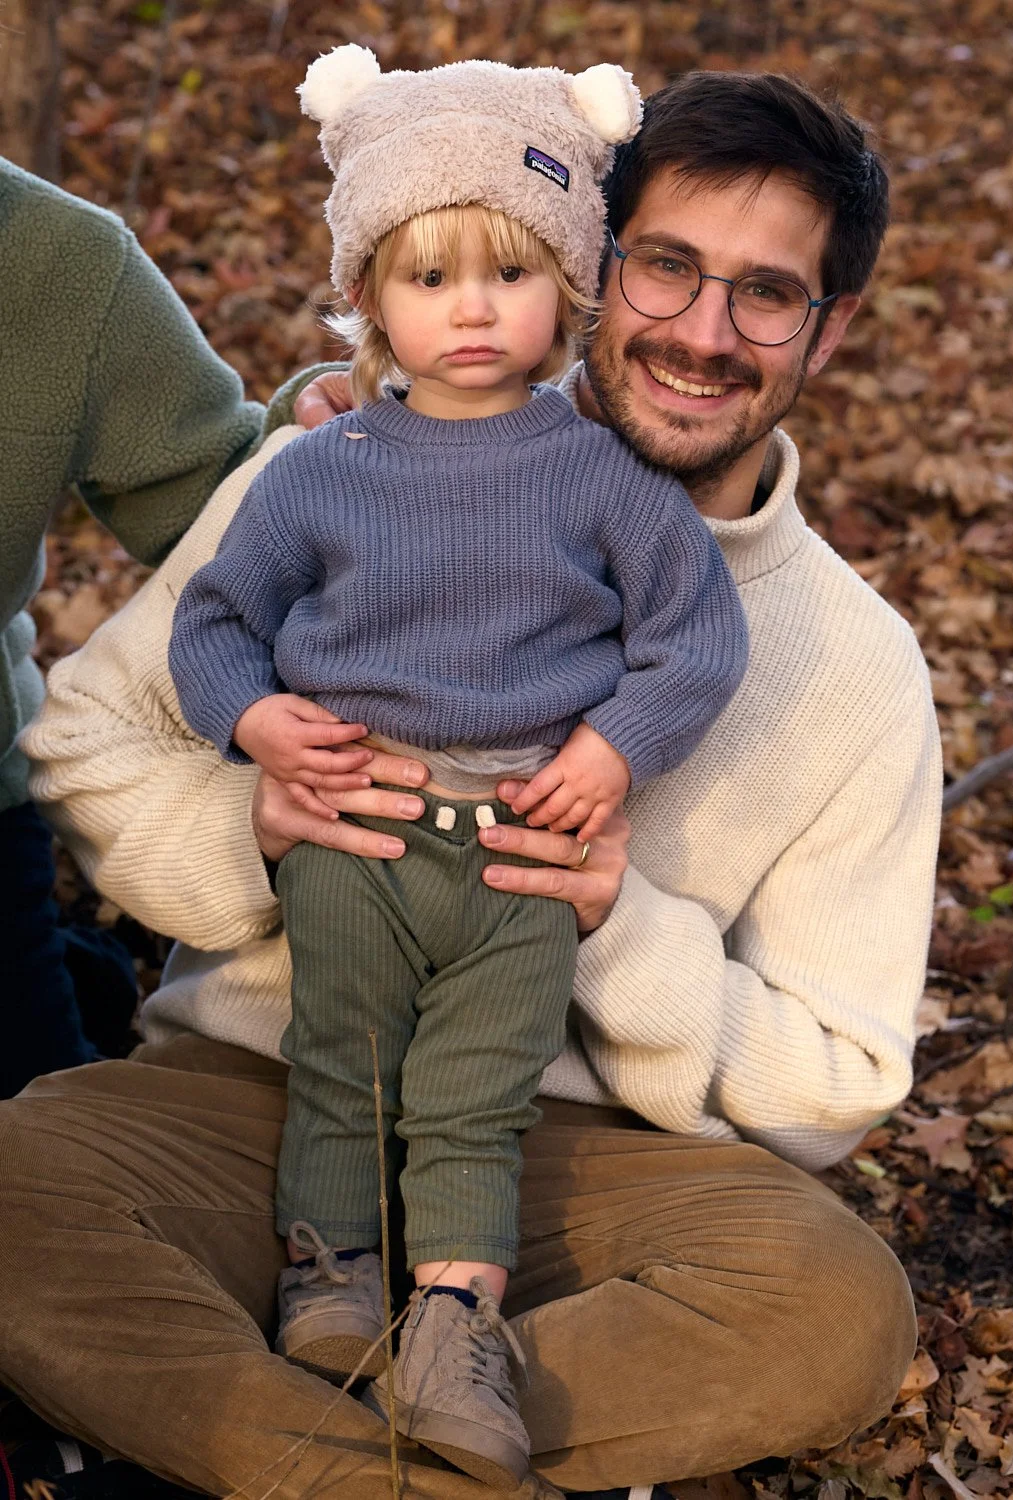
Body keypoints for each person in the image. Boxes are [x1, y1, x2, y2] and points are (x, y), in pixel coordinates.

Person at [6, 69, 942, 1500]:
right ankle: (416, 1448)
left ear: (833, 325)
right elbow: (87, 737)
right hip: (263, 1086)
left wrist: (615, 920)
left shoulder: (856, 666)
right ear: (591, 262)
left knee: (835, 1310)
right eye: (667, 266)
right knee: (14, 1186)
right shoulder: (341, 464)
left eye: (766, 295)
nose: (703, 334)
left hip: (588, 1174)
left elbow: (834, 1085)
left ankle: (237, 1448)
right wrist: (257, 826)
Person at [166, 50, 747, 1490]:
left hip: (517, 850)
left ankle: (452, 1328)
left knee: (479, 1095)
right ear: (370, 297)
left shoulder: (604, 477)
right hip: (358, 825)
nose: (472, 308)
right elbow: (217, 622)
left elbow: (697, 639)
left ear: (571, 287)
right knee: (344, 1062)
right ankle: (330, 1278)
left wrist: (614, 746)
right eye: (429, 277)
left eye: (510, 272)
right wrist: (257, 725)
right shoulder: (322, 470)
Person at [0, 158, 320, 1097]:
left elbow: (214, 504)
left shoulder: (60, 261)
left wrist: (329, 431)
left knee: (36, 1152)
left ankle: (80, 977)